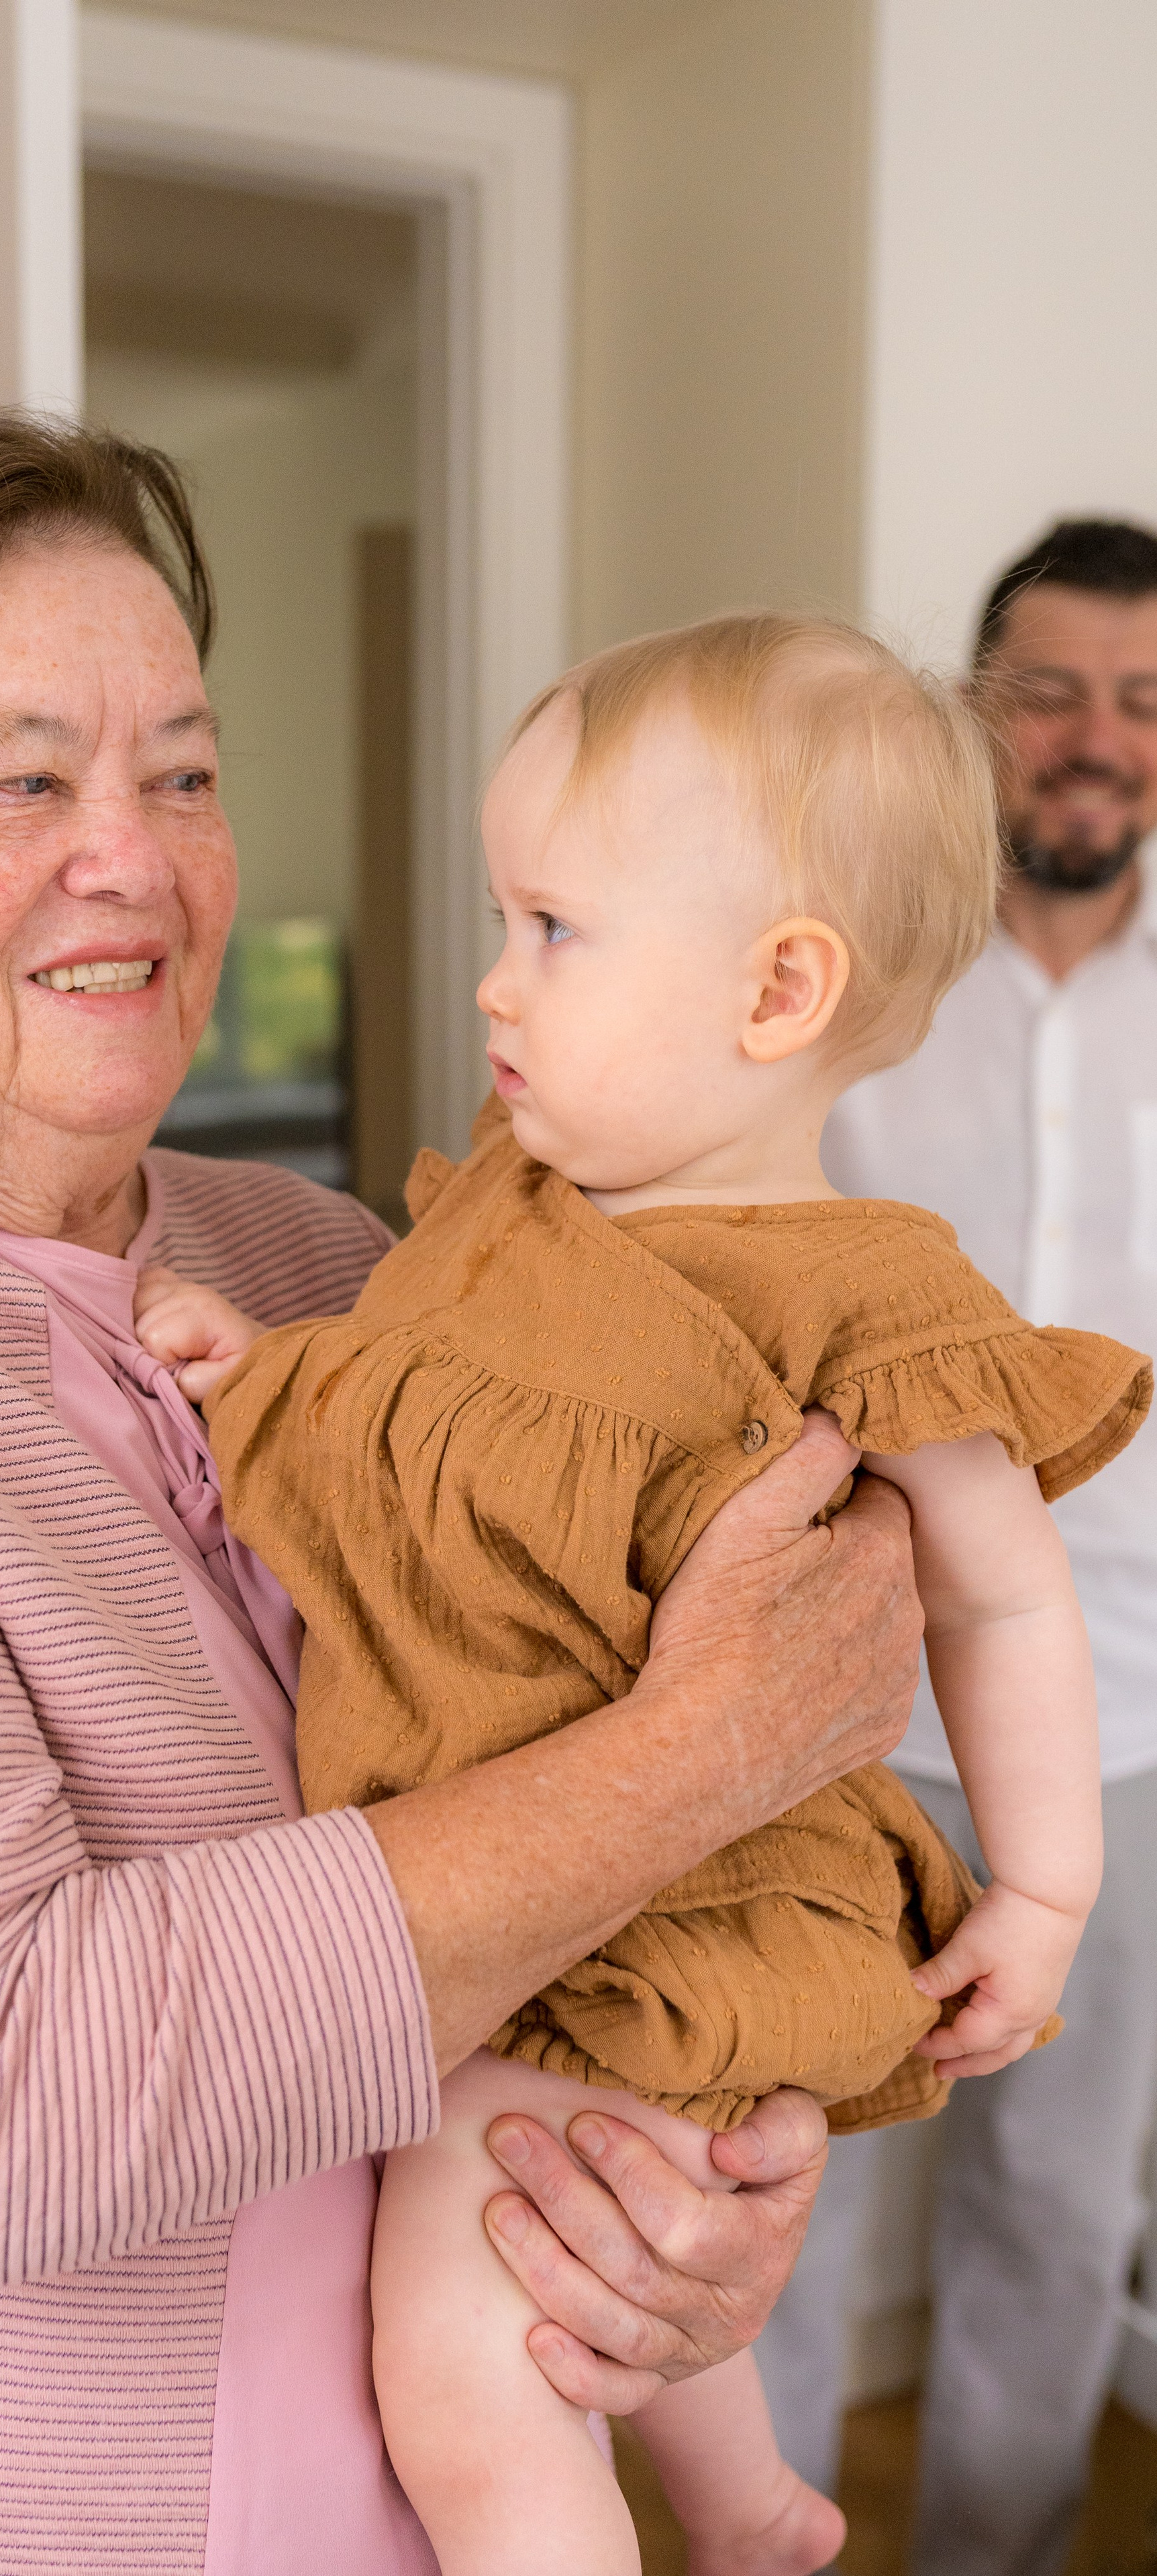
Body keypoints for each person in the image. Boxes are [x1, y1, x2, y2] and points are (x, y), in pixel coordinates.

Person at [0, 417, 921, 2576]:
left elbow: (600, 1894)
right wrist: (703, 1755)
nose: (137, 860)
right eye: (19, 778)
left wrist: (687, 2190)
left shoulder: (338, 1269)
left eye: (181, 770)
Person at [134, 612, 1148, 2576]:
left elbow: (1007, 1605)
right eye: (506, 923)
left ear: (780, 989)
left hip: (647, 1920)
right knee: (591, 2262)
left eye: (554, 930)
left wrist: (1044, 1888)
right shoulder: (506, 1216)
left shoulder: (862, 1293)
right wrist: (251, 1366)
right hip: (504, 1886)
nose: (496, 983)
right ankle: (749, 2499)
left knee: (464, 2379)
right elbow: (405, 1443)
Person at [761, 518, 1157, 2576]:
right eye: (1052, 689)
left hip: (1138, 1738)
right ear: (978, 704)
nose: (1094, 739)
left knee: (1062, 2212)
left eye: (1144, 699)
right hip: (834, 1715)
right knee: (783, 2189)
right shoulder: (845, 979)